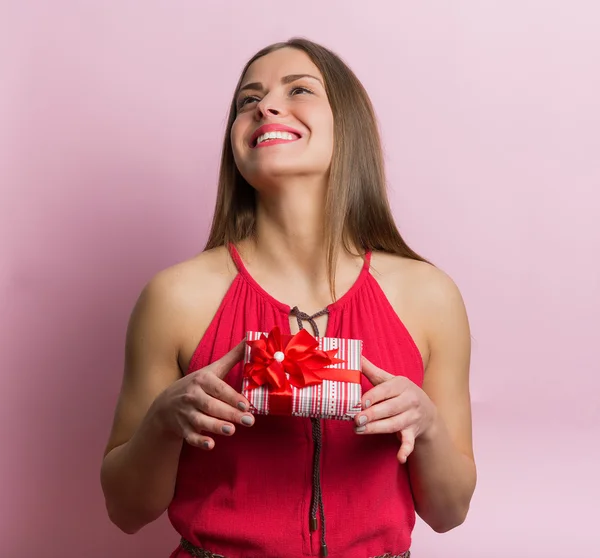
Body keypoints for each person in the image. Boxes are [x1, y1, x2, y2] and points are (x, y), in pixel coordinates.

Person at [100, 38, 476, 558]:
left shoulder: (429, 295)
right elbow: (125, 511)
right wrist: (164, 421)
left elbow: (450, 512)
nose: (265, 106)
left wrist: (428, 424)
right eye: (246, 100)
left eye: (299, 89)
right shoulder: (175, 298)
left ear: (348, 126)